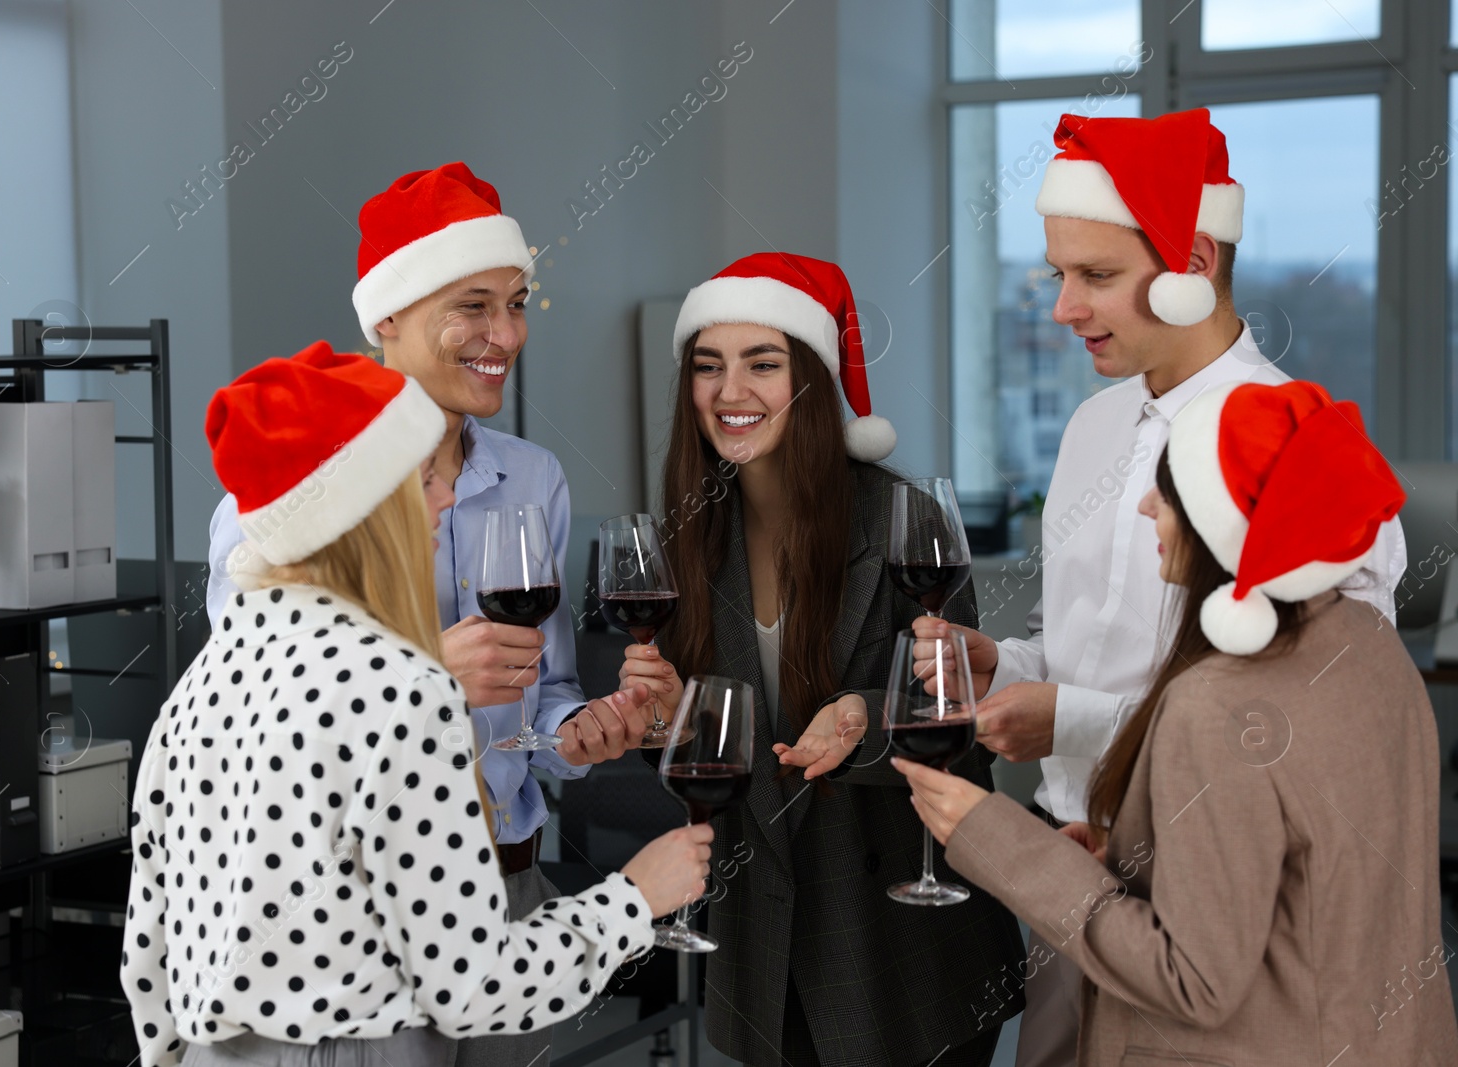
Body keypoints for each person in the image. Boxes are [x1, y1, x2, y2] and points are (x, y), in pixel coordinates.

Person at [925, 108, 1407, 1067]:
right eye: (1059, 273)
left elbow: (1319, 732)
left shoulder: (1297, 457)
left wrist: (1068, 719)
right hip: (1069, 871)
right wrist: (1005, 664)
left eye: (1096, 276)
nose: (1064, 307)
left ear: (1192, 257)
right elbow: (1081, 644)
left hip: (1217, 904)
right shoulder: (1094, 429)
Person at [124, 342, 713, 1067]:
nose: (446, 496)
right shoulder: (400, 686)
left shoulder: (203, 683)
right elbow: (472, 986)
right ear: (366, 507)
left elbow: (146, 957)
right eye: (424, 476)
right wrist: (632, 898)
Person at [204, 163, 645, 1064]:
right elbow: (252, 731)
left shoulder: (533, 478)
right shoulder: (288, 499)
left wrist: (583, 731)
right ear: (390, 318)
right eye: (473, 305)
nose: (505, 334)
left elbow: (543, 695)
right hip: (357, 918)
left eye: (518, 303)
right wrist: (428, 675)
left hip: (508, 884)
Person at [896, 378, 1458, 1066]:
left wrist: (996, 836)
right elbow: (1308, 871)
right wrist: (1136, 851)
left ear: (1222, 520)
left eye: (1169, 490)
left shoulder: (1213, 705)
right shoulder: (1367, 641)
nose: (1144, 504)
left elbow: (1193, 980)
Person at [617, 253, 1027, 1067]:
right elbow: (710, 745)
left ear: (811, 379)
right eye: (708, 367)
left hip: (901, 948)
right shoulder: (688, 535)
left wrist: (864, 720)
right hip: (761, 949)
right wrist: (658, 720)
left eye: (763, 363)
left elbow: (967, 732)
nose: (731, 392)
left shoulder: (904, 518)